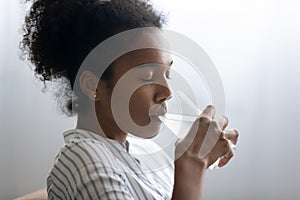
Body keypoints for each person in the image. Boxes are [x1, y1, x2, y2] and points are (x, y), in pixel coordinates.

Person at [21, 0, 239, 199]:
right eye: (147, 77)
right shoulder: (83, 159)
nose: (168, 92)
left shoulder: (145, 154)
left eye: (167, 74)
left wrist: (200, 155)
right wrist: (191, 164)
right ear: (92, 85)